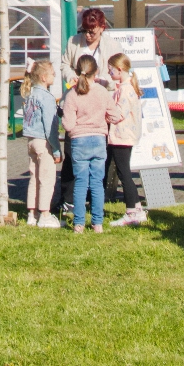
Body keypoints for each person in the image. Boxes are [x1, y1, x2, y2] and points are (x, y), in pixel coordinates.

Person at [59, 9, 122, 214]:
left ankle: (95, 201)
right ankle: (68, 199)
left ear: (102, 28)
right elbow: (64, 64)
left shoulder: (112, 45)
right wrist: (73, 77)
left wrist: (105, 83)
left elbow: (118, 71)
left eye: (92, 32)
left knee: (99, 159)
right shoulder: (73, 42)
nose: (87, 35)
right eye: (84, 30)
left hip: (99, 104)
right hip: (77, 102)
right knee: (71, 154)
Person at [62, 53, 120, 233]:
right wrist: (105, 118)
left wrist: (71, 126)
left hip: (79, 141)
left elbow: (68, 124)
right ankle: (97, 223)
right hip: (98, 140)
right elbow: (116, 115)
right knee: (97, 183)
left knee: (80, 182)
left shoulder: (72, 94)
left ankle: (79, 223)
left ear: (77, 71)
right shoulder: (102, 92)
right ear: (96, 73)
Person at [105, 53, 146, 227]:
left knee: (124, 174)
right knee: (124, 172)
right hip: (126, 136)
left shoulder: (125, 90)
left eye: (110, 70)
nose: (109, 73)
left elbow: (118, 114)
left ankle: (131, 211)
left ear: (119, 70)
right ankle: (137, 208)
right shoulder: (126, 87)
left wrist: (103, 114)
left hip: (122, 136)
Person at [21, 59, 61, 228]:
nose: (55, 76)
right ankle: (45, 214)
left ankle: (32, 213)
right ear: (44, 77)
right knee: (46, 178)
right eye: (52, 73)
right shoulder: (47, 97)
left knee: (34, 177)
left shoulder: (29, 94)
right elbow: (50, 126)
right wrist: (57, 150)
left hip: (30, 140)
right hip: (44, 142)